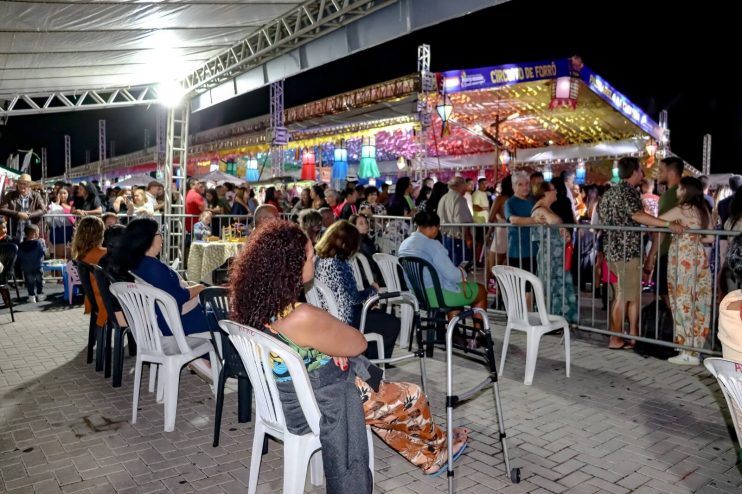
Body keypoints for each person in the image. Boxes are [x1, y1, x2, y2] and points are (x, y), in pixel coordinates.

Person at [229, 219, 469, 484]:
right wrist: (330, 342)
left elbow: (308, 346)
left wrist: (327, 346)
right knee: (413, 395)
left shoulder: (259, 305)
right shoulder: (301, 315)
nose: (314, 260)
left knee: (387, 404)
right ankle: (439, 443)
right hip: (316, 406)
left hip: (287, 399)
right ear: (292, 266)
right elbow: (359, 343)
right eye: (310, 256)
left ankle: (431, 455)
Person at [600, 157, 684, 349]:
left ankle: (632, 336)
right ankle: (616, 338)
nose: (643, 175)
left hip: (613, 250)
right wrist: (667, 224)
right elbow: (636, 215)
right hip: (627, 251)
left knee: (625, 294)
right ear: (634, 172)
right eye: (640, 170)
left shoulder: (610, 193)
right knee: (623, 295)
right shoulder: (628, 192)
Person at [111, 218, 211, 356]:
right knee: (223, 318)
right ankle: (227, 367)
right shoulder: (152, 267)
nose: (162, 238)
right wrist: (200, 287)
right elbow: (179, 297)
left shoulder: (139, 264)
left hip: (163, 322)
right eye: (160, 233)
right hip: (176, 325)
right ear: (148, 238)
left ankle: (208, 364)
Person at [314, 221, 400, 360]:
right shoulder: (339, 263)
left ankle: (369, 357)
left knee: (376, 316)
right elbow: (352, 297)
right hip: (344, 318)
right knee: (392, 323)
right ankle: (376, 361)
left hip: (327, 315)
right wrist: (372, 290)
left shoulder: (319, 259)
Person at [398, 211, 488, 339]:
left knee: (452, 288)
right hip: (438, 296)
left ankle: (455, 333)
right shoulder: (433, 245)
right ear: (434, 227)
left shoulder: (404, 244)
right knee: (481, 291)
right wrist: (463, 271)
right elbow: (453, 275)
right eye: (438, 228)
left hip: (418, 295)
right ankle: (479, 334)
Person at [658, 177, 713, 365]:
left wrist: (677, 230)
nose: (677, 192)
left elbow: (657, 221)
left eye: (680, 188)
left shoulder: (682, 209)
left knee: (681, 301)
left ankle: (686, 350)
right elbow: (709, 238)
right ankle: (695, 348)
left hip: (682, 259)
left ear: (686, 191)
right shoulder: (703, 209)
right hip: (698, 257)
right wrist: (693, 235)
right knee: (699, 301)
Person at [531, 182, 578, 323]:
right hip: (549, 257)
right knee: (551, 287)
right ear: (545, 193)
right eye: (553, 189)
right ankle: (551, 319)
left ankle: (560, 319)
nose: (556, 192)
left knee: (559, 287)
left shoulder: (547, 209)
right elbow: (554, 220)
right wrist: (561, 225)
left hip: (556, 256)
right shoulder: (539, 209)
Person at [645, 157, 684, 307]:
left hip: (668, 251)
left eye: (661, 170)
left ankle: (677, 327)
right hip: (678, 251)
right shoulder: (682, 192)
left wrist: (651, 256)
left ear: (672, 172)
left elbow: (661, 228)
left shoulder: (670, 196)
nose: (658, 174)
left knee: (666, 293)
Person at [72, 216, 108, 329]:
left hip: (92, 300)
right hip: (106, 303)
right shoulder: (105, 253)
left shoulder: (81, 256)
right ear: (100, 234)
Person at [505, 172, 544, 275]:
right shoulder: (510, 202)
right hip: (517, 250)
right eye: (520, 184)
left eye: (527, 184)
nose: (525, 187)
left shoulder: (533, 201)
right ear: (513, 186)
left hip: (534, 249)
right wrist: (534, 220)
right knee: (519, 285)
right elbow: (513, 220)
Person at [438, 176, 474, 266]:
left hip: (446, 236)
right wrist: (468, 238)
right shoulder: (459, 199)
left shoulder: (443, 198)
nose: (466, 188)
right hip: (458, 238)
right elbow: (463, 222)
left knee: (449, 265)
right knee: (460, 266)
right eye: (465, 185)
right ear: (460, 185)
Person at [0, 173, 46, 241]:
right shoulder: (10, 195)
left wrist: (29, 215)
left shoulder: (36, 195)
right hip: (15, 231)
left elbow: (43, 209)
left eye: (25, 184)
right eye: (20, 183)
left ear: (29, 185)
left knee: (31, 250)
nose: (22, 185)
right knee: (16, 249)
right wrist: (17, 214)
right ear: (17, 184)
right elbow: (2, 209)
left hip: (31, 231)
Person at [486, 176, 513, 288]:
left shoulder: (500, 199)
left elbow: (490, 218)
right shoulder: (518, 199)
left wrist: (497, 216)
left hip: (501, 233)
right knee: (507, 267)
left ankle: (492, 292)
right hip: (514, 234)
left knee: (493, 266)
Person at [349, 214, 382, 285]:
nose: (365, 225)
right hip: (371, 279)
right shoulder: (364, 243)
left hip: (363, 279)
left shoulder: (352, 241)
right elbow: (375, 262)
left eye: (366, 222)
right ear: (354, 226)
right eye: (361, 224)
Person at [18, 224, 46, 303]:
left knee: (30, 282)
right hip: (38, 266)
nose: (38, 234)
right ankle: (40, 295)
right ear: (34, 233)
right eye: (38, 232)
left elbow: (19, 256)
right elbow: (43, 252)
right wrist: (44, 244)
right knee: (39, 281)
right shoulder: (39, 243)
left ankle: (31, 296)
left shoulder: (21, 245)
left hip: (27, 267)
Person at [46, 188, 75, 260]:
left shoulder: (73, 204)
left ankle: (68, 270)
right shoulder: (53, 205)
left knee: (70, 255)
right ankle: (57, 271)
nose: (62, 195)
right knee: (59, 254)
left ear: (68, 194)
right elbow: (49, 219)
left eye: (64, 193)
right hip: (58, 231)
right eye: (60, 193)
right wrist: (57, 203)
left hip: (70, 231)